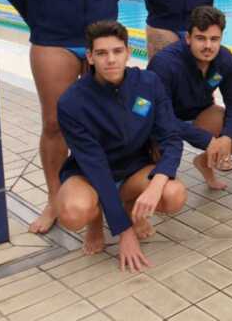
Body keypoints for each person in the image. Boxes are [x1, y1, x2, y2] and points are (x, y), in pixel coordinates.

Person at [2, 0, 130, 234]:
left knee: (103, 123)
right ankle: (55, 199)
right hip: (54, 42)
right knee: (55, 123)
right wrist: (43, 21)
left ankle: (105, 195)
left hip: (101, 42)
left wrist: (101, 25)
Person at [55, 21, 186, 271]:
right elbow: (95, 166)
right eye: (102, 53)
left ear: (128, 52)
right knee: (73, 213)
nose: (111, 60)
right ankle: (96, 220)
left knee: (173, 194)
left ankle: (129, 204)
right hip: (89, 174)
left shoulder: (148, 83)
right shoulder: (72, 103)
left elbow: (171, 137)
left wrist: (155, 186)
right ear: (90, 58)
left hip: (133, 169)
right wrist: (124, 233)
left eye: (117, 51)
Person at [147, 6, 232, 190]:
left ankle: (205, 162)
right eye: (201, 38)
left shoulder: (224, 59)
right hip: (160, 125)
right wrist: (207, 140)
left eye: (214, 39)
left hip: (199, 114)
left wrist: (226, 137)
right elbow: (162, 118)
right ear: (188, 38)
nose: (208, 46)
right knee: (154, 176)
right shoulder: (165, 64)